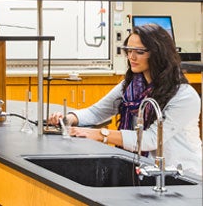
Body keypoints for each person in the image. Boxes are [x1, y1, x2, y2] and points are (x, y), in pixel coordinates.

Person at [47, 24, 202, 178]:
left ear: (159, 54)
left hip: (182, 175)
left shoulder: (183, 96)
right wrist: (68, 119)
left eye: (139, 52)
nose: (131, 57)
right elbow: (96, 112)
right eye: (129, 50)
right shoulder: (131, 86)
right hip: (144, 168)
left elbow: (150, 139)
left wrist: (101, 134)